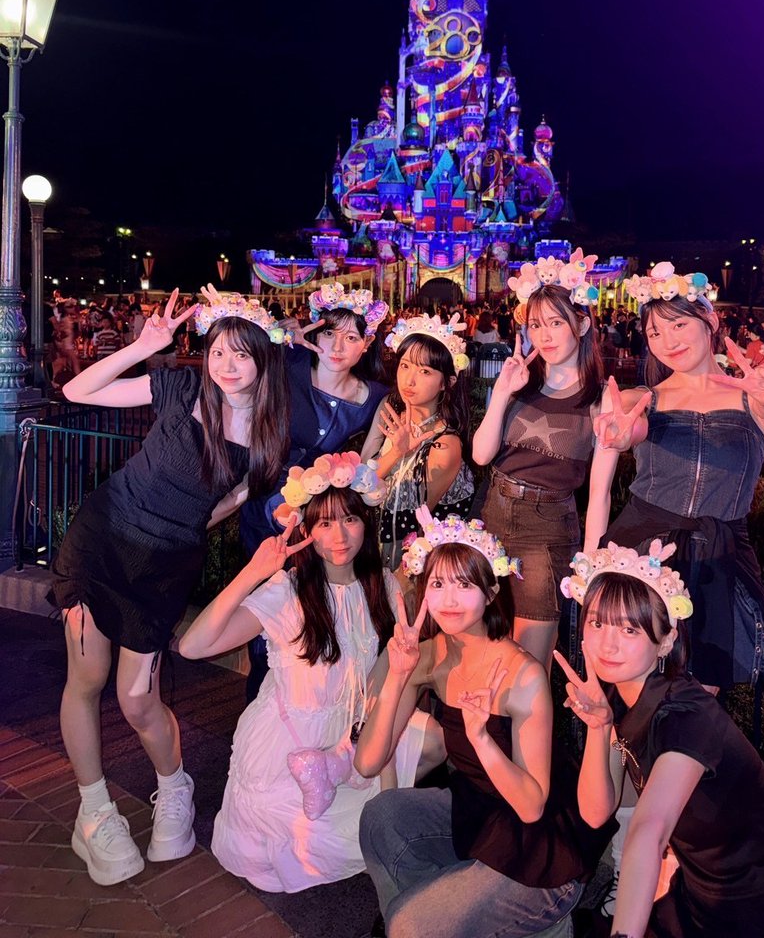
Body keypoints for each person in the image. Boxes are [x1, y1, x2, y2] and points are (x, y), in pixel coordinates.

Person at [47, 288, 290, 887]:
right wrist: (142, 347)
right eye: (217, 351)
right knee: (86, 677)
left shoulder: (268, 440)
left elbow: (225, 504)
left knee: (137, 701)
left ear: (263, 359)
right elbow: (78, 391)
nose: (225, 365)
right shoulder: (181, 388)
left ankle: (174, 785)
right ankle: (93, 809)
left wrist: (176, 531)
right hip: (102, 540)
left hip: (162, 567)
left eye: (241, 354)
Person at [556, 542, 764, 938]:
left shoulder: (686, 716)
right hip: (703, 896)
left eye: (629, 629)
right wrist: (599, 727)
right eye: (597, 623)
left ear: (666, 641)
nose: (607, 644)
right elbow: (596, 813)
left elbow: (650, 830)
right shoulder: (620, 694)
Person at [179, 457, 438, 892]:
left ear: (366, 522)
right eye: (325, 524)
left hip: (352, 737)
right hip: (292, 751)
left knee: (434, 742)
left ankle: (379, 813)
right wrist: (254, 572)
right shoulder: (289, 591)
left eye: (350, 519)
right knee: (320, 849)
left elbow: (380, 682)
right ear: (306, 529)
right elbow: (193, 646)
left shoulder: (382, 585)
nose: (339, 537)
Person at [356, 511, 605, 938]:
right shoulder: (428, 656)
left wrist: (481, 739)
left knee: (408, 926)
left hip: (542, 852)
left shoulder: (522, 675)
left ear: (491, 592)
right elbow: (367, 763)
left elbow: (531, 806)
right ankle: (433, 918)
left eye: (464, 584)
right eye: (438, 584)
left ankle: (542, 922)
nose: (449, 599)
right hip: (480, 818)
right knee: (381, 817)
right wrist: (397, 675)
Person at [591, 263, 764, 692]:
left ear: (709, 322)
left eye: (678, 325)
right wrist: (620, 431)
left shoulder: (752, 397)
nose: (668, 341)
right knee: (633, 690)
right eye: (655, 332)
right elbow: (629, 426)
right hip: (643, 552)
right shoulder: (644, 398)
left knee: (697, 700)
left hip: (719, 558)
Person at [238, 281, 390, 699]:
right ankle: (260, 709)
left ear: (366, 345)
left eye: (352, 337)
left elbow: (375, 454)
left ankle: (308, 709)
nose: (337, 346)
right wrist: (279, 338)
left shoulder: (376, 397)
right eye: (329, 333)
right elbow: (238, 362)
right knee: (263, 618)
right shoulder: (287, 367)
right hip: (265, 513)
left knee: (308, 617)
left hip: (316, 524)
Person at [471, 250, 605, 668]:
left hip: (546, 529)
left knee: (528, 663)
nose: (545, 335)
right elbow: (481, 454)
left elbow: (600, 493)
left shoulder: (599, 400)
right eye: (535, 324)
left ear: (581, 324)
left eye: (556, 323)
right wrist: (502, 392)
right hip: (491, 512)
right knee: (483, 649)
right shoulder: (521, 382)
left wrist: (591, 564)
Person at [371, 315, 475, 573]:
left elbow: (417, 518)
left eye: (425, 371)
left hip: (413, 560)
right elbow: (362, 483)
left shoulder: (445, 443)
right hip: (373, 548)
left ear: (446, 383)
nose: (409, 380)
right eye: (405, 366)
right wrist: (396, 452)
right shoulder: (391, 412)